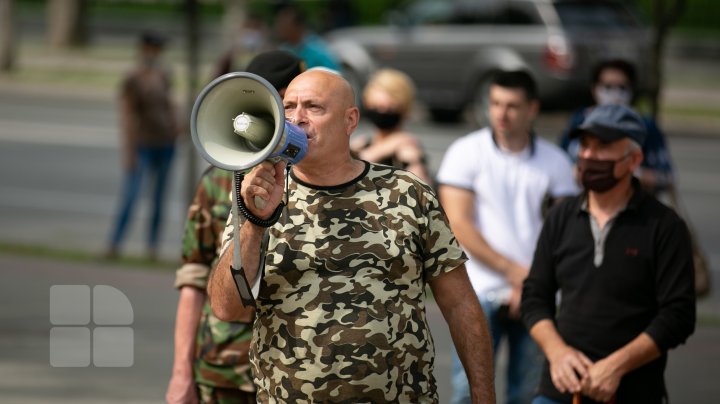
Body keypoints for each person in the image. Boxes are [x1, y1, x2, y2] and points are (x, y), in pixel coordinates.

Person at [207, 69, 496, 403]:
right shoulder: (259, 195)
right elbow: (226, 308)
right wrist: (255, 223)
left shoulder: (407, 193)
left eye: (314, 107)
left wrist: (483, 393)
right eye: (288, 107)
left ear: (350, 119)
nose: (297, 119)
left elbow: (460, 303)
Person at [522, 104, 696, 404]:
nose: (589, 155)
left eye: (603, 147)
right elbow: (535, 297)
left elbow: (678, 315)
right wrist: (557, 353)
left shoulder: (664, 226)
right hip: (559, 391)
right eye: (585, 145)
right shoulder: (561, 216)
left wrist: (616, 366)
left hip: (635, 391)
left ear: (633, 160)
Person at [166, 50, 305, 404]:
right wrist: (181, 373)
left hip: (294, 372)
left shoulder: (315, 177)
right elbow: (193, 277)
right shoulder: (217, 182)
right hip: (227, 367)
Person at [436, 70, 579, 404]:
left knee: (528, 393)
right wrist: (519, 275)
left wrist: (531, 284)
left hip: (537, 292)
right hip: (476, 290)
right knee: (467, 392)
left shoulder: (555, 162)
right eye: (495, 103)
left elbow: (566, 234)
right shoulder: (465, 151)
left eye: (512, 105)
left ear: (533, 109)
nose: (501, 113)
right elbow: (459, 225)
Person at [105, 30, 179, 260]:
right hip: (143, 144)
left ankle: (152, 248)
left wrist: (177, 126)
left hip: (165, 142)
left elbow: (169, 105)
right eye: (153, 48)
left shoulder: (164, 74)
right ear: (145, 49)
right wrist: (129, 151)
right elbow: (127, 116)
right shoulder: (133, 77)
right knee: (131, 195)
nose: (157, 53)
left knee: (159, 199)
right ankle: (114, 244)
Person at [558, 59, 674, 195]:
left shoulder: (645, 125)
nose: (615, 94)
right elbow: (559, 165)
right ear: (594, 89)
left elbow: (667, 176)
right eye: (607, 87)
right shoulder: (579, 120)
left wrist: (632, 175)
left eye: (622, 88)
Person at [350, 68, 432, 184]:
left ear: (404, 110)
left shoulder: (407, 151)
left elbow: (421, 193)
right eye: (375, 107)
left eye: (389, 109)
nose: (381, 113)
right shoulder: (361, 144)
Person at [274, 5, 340, 70]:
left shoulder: (318, 51)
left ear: (298, 26)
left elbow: (335, 74)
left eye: (284, 24)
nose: (279, 27)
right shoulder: (284, 50)